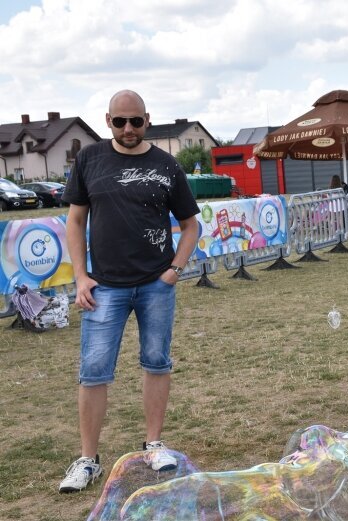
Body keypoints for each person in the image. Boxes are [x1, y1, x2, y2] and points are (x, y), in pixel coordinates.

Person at [58, 90, 200, 493]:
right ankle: (88, 460)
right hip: (104, 287)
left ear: (147, 120)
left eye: (135, 121)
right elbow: (75, 221)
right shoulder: (90, 159)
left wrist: (174, 270)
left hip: (156, 284)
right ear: (107, 121)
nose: (128, 129)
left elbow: (191, 225)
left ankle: (153, 445)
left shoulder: (167, 165)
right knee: (94, 371)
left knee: (157, 362)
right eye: (120, 121)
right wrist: (81, 277)